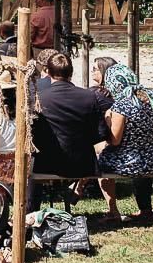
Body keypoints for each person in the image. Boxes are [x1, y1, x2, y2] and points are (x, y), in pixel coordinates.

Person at [95, 63, 153, 220]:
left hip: (127, 162)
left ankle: (113, 210)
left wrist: (107, 118)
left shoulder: (121, 105)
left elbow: (115, 141)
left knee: (97, 160)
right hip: (151, 160)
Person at [31, 52, 103, 180]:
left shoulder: (40, 98)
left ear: (48, 73)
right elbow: (100, 133)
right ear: (71, 73)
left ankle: (32, 200)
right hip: (84, 163)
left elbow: (35, 134)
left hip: (48, 163)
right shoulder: (89, 96)